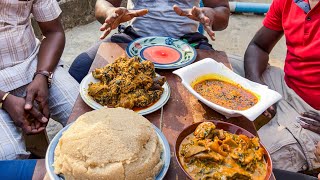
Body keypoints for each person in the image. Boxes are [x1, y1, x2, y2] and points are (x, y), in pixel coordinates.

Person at [230, 0, 320, 173]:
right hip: (283, 82)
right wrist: (259, 87)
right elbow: (259, 46)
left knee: (245, 159)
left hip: (311, 115)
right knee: (214, 65)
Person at [68, 0, 230, 83]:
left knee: (222, 82)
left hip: (188, 43)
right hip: (134, 38)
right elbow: (102, 4)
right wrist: (110, 12)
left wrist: (210, 14)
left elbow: (222, 11)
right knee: (81, 67)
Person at [0, 0, 78, 159]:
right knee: (9, 157)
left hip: (34, 63)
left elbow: (53, 32)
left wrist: (43, 75)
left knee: (86, 118)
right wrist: (4, 99)